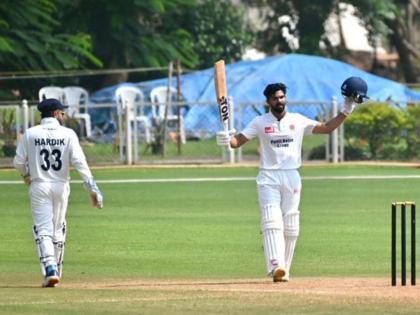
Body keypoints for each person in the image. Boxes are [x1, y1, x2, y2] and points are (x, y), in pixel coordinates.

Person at [216, 82, 365, 282]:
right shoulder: (260, 122)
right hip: (268, 177)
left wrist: (346, 111)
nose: (280, 101)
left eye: (282, 97)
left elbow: (327, 128)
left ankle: (283, 270)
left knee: (291, 224)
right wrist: (226, 139)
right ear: (268, 101)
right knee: (272, 221)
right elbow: (237, 142)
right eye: (275, 98)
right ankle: (275, 265)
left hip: (292, 175)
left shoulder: (298, 120)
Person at [13, 98, 104, 288]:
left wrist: (26, 175)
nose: (63, 116)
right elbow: (80, 162)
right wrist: (92, 189)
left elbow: (18, 162)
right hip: (61, 186)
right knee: (58, 228)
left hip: (39, 185)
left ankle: (50, 268)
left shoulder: (30, 134)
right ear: (55, 113)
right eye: (62, 113)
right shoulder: (68, 134)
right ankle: (56, 270)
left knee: (43, 230)